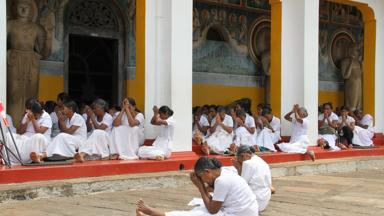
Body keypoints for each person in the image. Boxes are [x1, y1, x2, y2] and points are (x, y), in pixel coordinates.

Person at [136, 157, 259, 216]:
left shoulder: (222, 181)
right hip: (246, 210)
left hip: (241, 214)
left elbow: (212, 209)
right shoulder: (225, 171)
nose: (203, 180)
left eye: (201, 177)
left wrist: (200, 186)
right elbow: (213, 198)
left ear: (207, 172)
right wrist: (203, 186)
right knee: (198, 209)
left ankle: (154, 213)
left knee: (200, 214)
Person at [232, 145, 273, 212]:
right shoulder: (260, 160)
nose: (238, 161)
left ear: (243, 155)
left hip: (255, 201)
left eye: (238, 158)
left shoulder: (247, 163)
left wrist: (238, 168)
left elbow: (242, 184)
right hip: (264, 199)